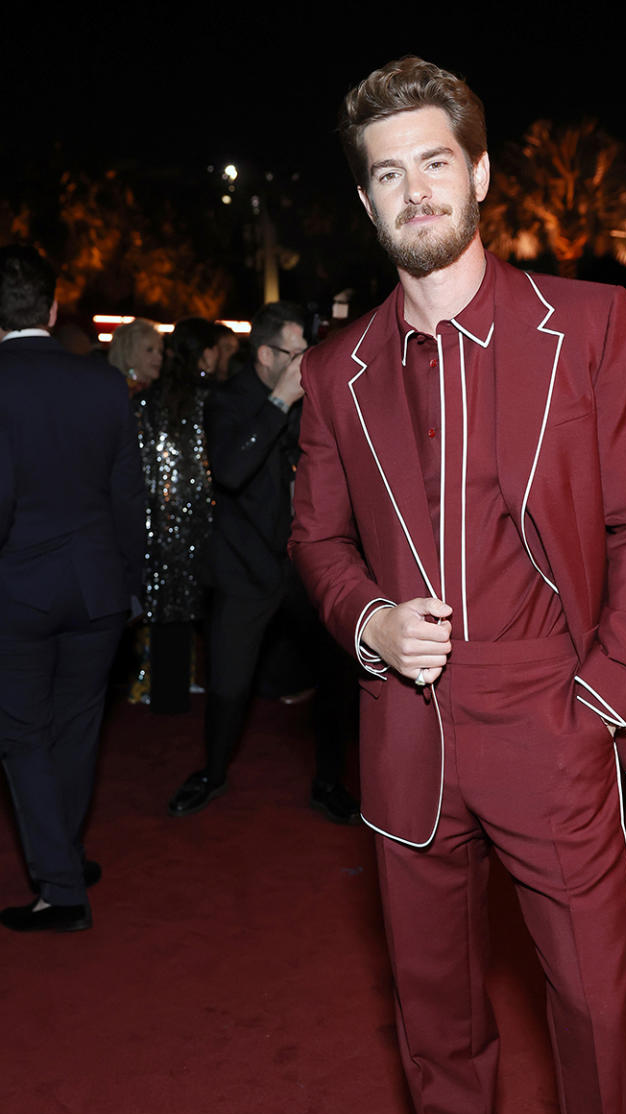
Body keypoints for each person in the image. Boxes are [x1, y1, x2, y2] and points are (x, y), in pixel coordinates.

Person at [289, 58, 626, 1114]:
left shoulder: (590, 324)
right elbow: (314, 536)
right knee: (434, 1012)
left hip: (549, 724)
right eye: (387, 173)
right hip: (406, 733)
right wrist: (363, 622)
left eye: (434, 161)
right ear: (367, 199)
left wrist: (600, 699)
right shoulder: (340, 370)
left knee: (591, 1016)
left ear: (480, 173)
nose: (414, 189)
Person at [167, 301, 359, 824]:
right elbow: (230, 470)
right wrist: (278, 402)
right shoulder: (229, 400)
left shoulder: (314, 398)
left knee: (336, 677)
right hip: (244, 565)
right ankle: (212, 772)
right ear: (265, 352)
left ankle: (329, 781)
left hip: (306, 564)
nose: (304, 364)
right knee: (229, 684)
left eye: (308, 353)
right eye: (294, 353)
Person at [0, 245, 145, 932]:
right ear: (52, 309)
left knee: (23, 737)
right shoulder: (102, 383)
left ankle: (59, 886)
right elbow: (127, 498)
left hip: (17, 588)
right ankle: (64, 852)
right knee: (77, 730)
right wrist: (132, 580)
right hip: (97, 587)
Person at [135, 317, 219, 714]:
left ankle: (168, 693)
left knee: (167, 603)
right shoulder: (214, 399)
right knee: (207, 606)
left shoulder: (151, 400)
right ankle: (197, 685)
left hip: (158, 517)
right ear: (204, 353)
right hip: (208, 519)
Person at [107, 318, 164, 393]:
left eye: (160, 351)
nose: (160, 357)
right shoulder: (118, 393)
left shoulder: (159, 393)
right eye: (149, 350)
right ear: (128, 355)